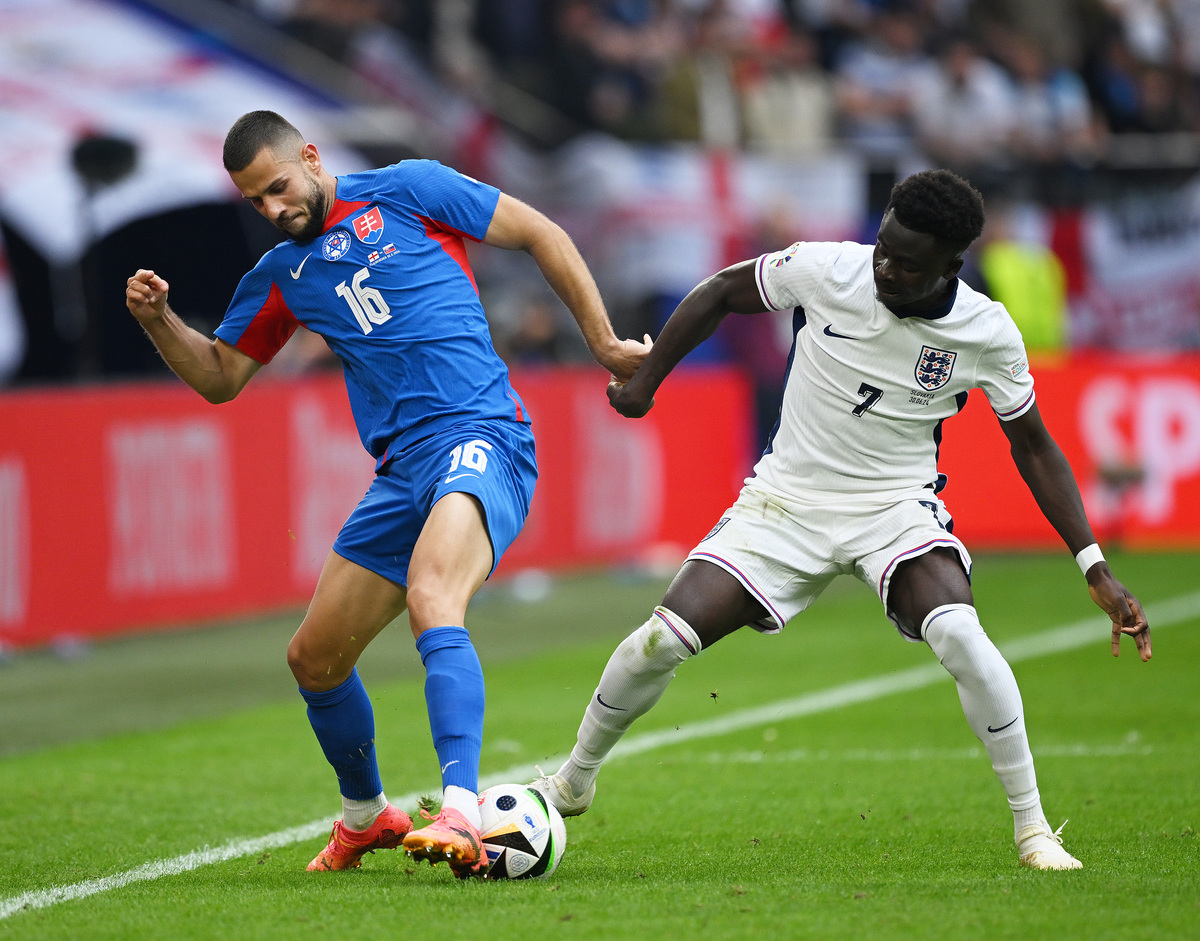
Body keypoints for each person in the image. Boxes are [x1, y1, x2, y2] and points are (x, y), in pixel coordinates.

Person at [532, 169, 1152, 871]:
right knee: (661, 640)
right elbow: (720, 292)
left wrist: (1093, 565)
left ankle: (1035, 829)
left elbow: (1033, 444)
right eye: (883, 246)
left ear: (951, 265)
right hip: (784, 504)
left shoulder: (985, 331)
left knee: (960, 634)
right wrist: (647, 380)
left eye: (907, 263)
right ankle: (573, 781)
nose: (885, 266)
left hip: (894, 509)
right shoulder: (827, 268)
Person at [125, 110, 649, 879]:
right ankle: (368, 816)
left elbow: (542, 231)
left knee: (435, 594)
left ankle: (464, 808)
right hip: (401, 473)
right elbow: (219, 377)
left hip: (483, 436)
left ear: (308, 156)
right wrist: (159, 318)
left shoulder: (410, 189)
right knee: (313, 658)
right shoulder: (280, 276)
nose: (273, 208)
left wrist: (602, 341)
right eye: (255, 202)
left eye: (277, 187)